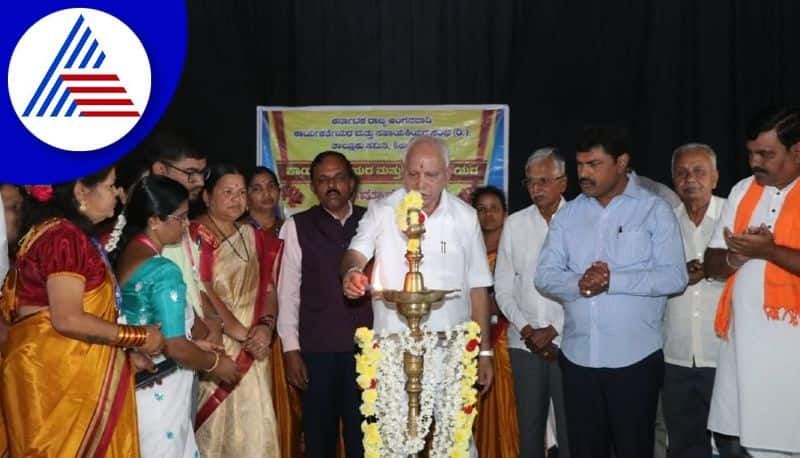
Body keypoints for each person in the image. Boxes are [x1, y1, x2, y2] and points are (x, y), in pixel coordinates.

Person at [535, 126, 688, 458]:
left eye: (594, 164)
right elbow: (544, 276)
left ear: (621, 163)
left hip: (635, 361)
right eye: (580, 165)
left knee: (634, 449)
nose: (584, 174)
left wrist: (612, 280)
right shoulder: (569, 215)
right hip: (578, 360)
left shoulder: (654, 210)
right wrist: (580, 283)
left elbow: (674, 277)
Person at [341, 135, 494, 456]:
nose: (420, 183)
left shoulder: (465, 217)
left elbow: (478, 287)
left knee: (457, 443)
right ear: (401, 171)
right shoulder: (383, 211)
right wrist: (352, 273)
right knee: (392, 442)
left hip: (450, 349)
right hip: (394, 348)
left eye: (431, 175)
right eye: (413, 173)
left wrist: (484, 353)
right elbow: (355, 253)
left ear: (448, 175)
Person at [0, 167, 164, 457]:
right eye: (111, 185)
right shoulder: (64, 238)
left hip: (55, 377)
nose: (116, 192)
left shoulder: (53, 233)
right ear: (80, 191)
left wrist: (121, 355)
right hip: (56, 387)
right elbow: (67, 319)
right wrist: (137, 336)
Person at [115, 175, 240, 457]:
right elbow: (175, 346)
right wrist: (217, 364)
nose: (186, 225)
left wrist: (195, 344)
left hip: (139, 385)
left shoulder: (127, 254)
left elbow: (154, 325)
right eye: (180, 218)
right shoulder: (162, 270)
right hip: (160, 390)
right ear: (154, 221)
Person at [705, 107, 800, 457]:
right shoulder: (743, 190)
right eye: (751, 153)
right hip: (742, 351)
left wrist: (770, 251)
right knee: (744, 444)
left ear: (797, 151)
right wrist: (735, 257)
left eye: (766, 154)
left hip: (792, 358)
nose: (754, 162)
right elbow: (711, 263)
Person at [277, 151, 371, 458]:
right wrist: (291, 350)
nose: (332, 185)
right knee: (319, 440)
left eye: (339, 178)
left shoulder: (372, 222)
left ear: (352, 184)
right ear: (313, 187)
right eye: (323, 180)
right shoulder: (296, 227)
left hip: (367, 352)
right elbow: (287, 292)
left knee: (366, 440)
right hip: (316, 352)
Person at [192, 163, 281, 457]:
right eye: (227, 191)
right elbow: (201, 288)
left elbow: (268, 288)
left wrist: (265, 327)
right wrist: (239, 332)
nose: (236, 199)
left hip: (256, 345)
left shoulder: (252, 235)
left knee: (256, 428)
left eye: (241, 192)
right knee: (215, 432)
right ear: (207, 196)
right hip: (216, 344)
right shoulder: (195, 234)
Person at [496, 147, 570, 458]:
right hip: (524, 343)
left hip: (569, 342)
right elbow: (502, 287)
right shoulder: (514, 223)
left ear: (563, 182)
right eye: (530, 182)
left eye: (543, 181)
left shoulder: (582, 220)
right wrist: (529, 331)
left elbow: (587, 288)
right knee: (529, 432)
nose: (536, 189)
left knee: (571, 431)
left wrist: (553, 329)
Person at [661, 143, 727, 458]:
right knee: (684, 444)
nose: (691, 179)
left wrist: (715, 271)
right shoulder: (663, 224)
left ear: (715, 177)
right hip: (676, 355)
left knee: (733, 443)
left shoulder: (734, 218)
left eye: (699, 171)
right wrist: (677, 275)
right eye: (682, 172)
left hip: (724, 353)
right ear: (673, 179)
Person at [244, 165, 302, 458]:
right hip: (255, 328)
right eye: (257, 188)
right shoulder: (240, 235)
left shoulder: (291, 229)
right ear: (247, 195)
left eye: (271, 186)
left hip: (293, 327)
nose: (266, 194)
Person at [471, 185, 520, 458]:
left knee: (506, 407)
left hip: (503, 339)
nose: (488, 215)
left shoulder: (513, 247)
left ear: (505, 213)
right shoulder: (469, 248)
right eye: (481, 209)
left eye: (494, 209)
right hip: (473, 338)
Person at [247, 166, 284, 236]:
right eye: (257, 189)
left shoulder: (289, 228)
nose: (267, 193)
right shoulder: (237, 231)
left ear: (279, 191)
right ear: (246, 196)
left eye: (271, 186)